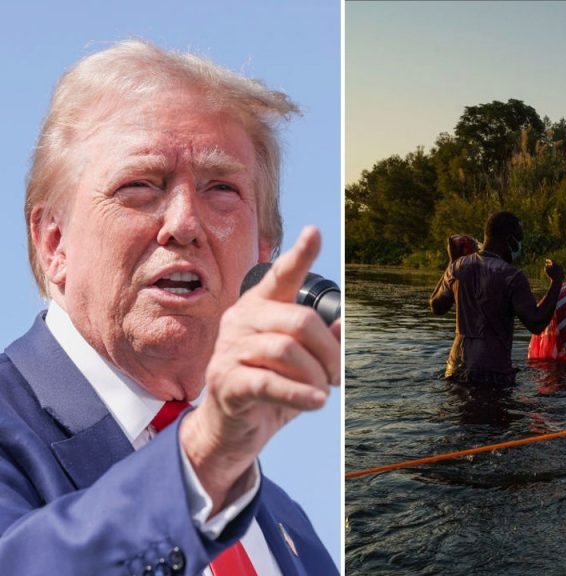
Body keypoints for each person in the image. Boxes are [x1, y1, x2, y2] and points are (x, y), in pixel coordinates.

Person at [0, 40, 339, 574]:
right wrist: (201, 458)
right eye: (140, 185)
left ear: (263, 255)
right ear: (53, 242)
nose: (184, 223)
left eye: (221, 189)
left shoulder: (285, 520)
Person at [430, 211, 565, 386]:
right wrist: (556, 282)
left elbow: (436, 306)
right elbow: (536, 323)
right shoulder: (511, 276)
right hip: (492, 373)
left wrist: (452, 261)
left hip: (454, 369)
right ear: (509, 240)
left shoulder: (458, 267)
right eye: (519, 238)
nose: (520, 245)